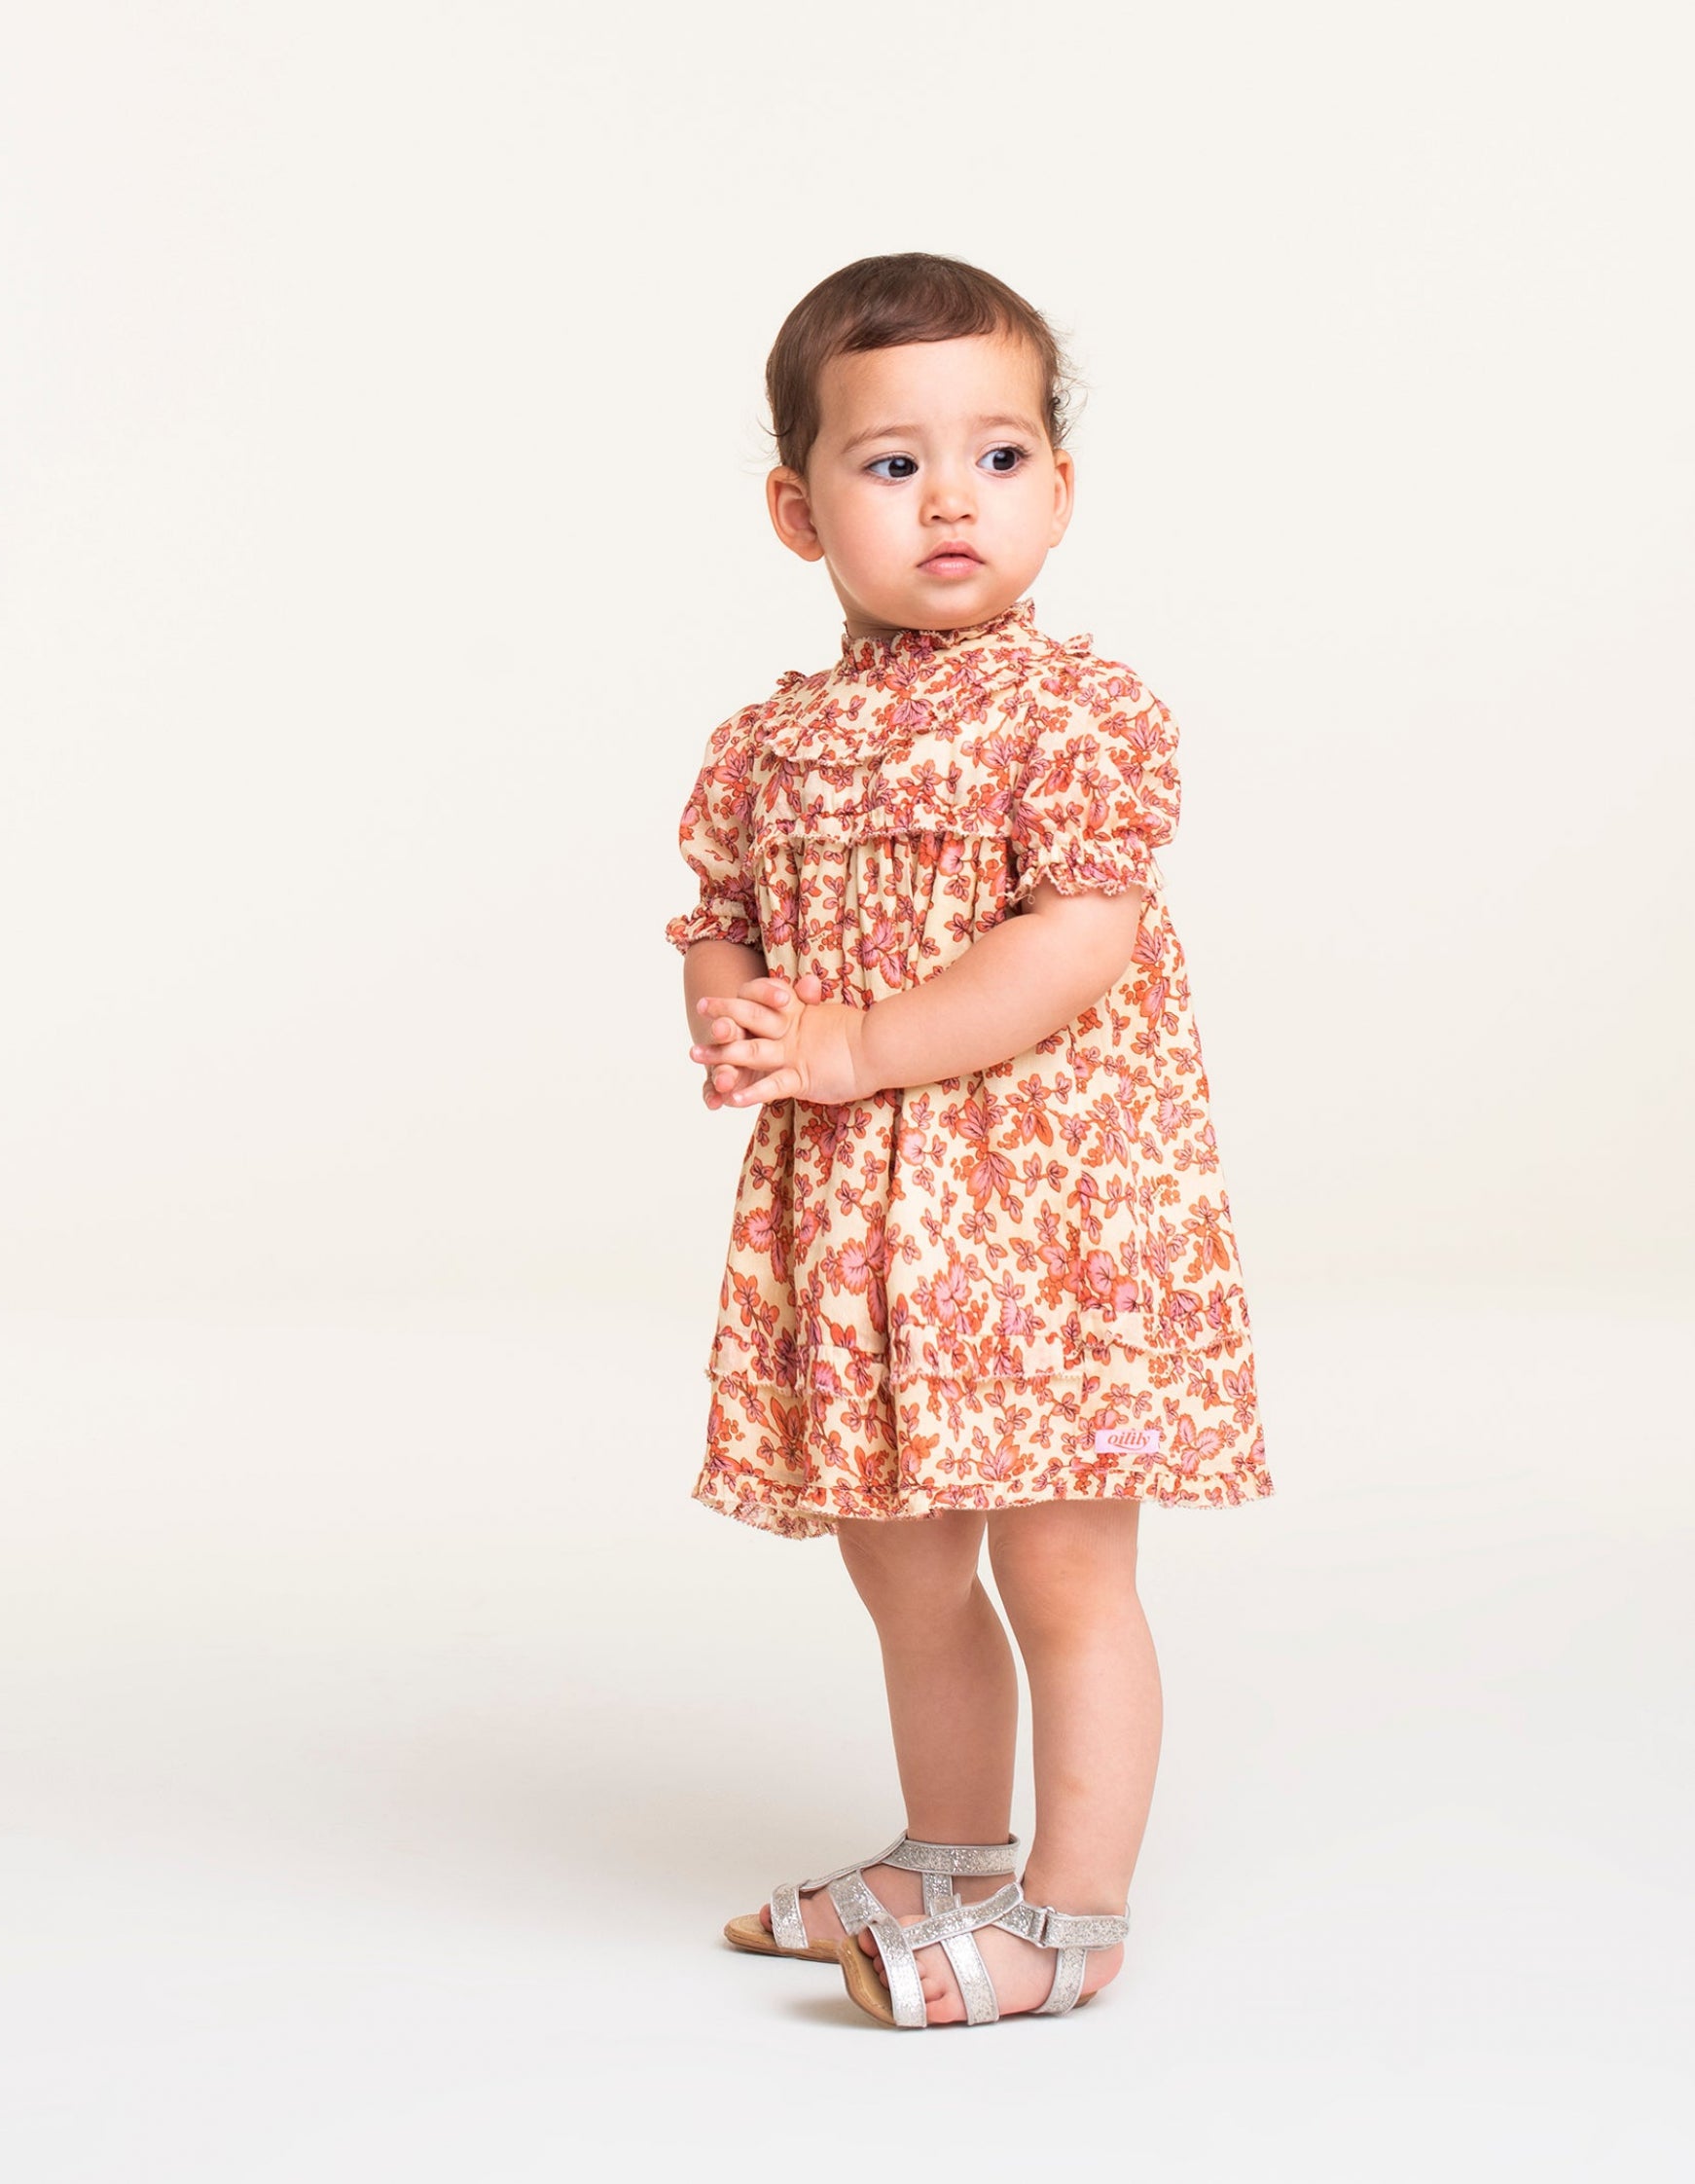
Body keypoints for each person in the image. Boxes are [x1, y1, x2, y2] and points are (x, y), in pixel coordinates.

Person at [664, 252, 1274, 2030]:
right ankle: (946, 1854)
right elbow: (719, 917)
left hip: (1047, 1210)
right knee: (903, 1554)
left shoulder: (1072, 712)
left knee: (1061, 1565)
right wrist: (739, 1009)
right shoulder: (770, 745)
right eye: (891, 462)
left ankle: (1069, 1917)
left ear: (1057, 492)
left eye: (998, 458)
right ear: (799, 511)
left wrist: (851, 1043)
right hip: (873, 1217)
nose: (951, 499)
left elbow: (1072, 943)